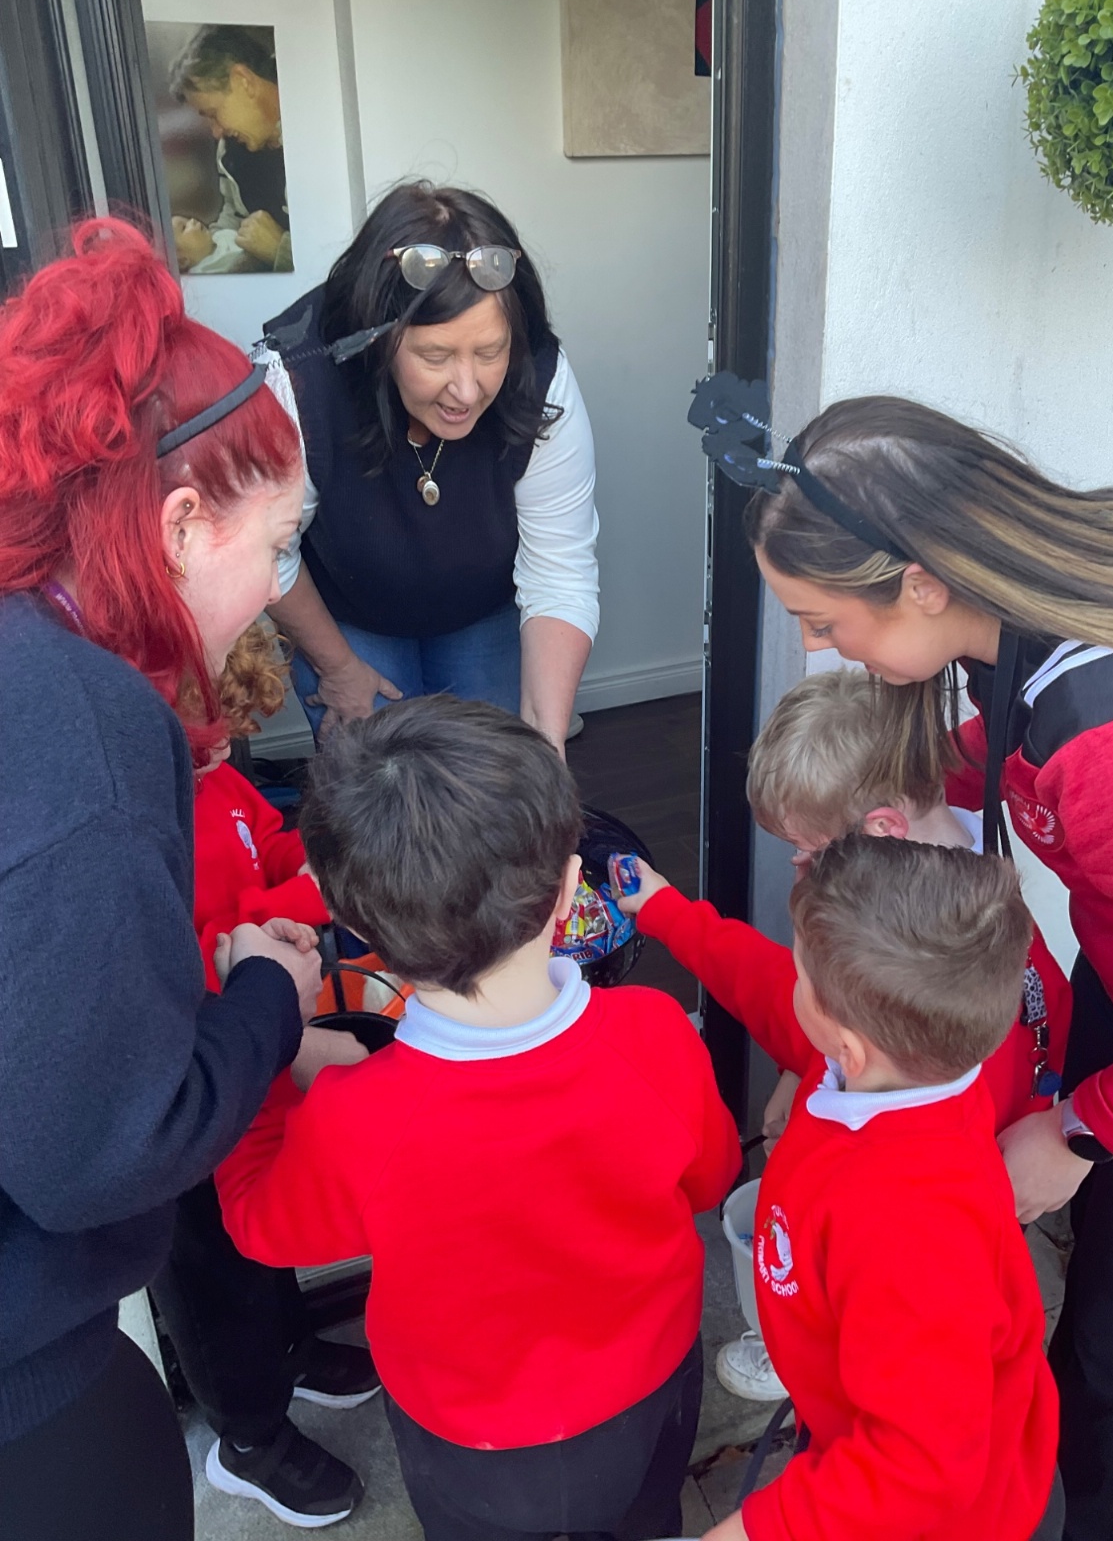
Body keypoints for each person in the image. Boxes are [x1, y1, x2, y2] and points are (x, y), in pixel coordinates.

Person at [743, 394, 1113, 1541]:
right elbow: (1000, 749)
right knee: (1104, 1287)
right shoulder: (1029, 632)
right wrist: (869, 792)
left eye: (822, 619)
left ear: (920, 584)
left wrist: (1082, 1130)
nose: (818, 646)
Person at [215, 696, 741, 1541]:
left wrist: (262, 1039)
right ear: (569, 889)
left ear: (355, 923)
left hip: (470, 1441)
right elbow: (711, 1179)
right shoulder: (653, 1031)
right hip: (652, 1387)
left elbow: (261, 1225)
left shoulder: (358, 1115)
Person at [0, 220, 329, 1541]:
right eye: (281, 544)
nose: (278, 587)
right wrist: (265, 1004)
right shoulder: (83, 729)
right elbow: (103, 1151)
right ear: (184, 523)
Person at [626, 835, 1060, 1541]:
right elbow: (760, 981)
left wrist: (758, 1528)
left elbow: (919, 1468)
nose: (788, 979)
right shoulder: (911, 1060)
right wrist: (667, 911)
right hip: (863, 1399)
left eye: (802, 972)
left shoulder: (911, 1229)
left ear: (847, 1044)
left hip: (948, 1518)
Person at [677, 666, 1071, 1404]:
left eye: (809, 851)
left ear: (882, 830)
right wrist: (801, 1070)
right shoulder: (979, 913)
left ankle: (816, 1362)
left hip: (898, 1265)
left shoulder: (916, 980)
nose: (798, 867)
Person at [152, 625, 376, 1529]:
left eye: (229, 735)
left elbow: (270, 839)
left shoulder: (219, 780)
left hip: (256, 1061)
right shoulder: (148, 823)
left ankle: (289, 1348)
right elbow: (206, 952)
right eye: (200, 740)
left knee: (266, 1241)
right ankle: (249, 1436)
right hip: (193, 1086)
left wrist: (313, 868)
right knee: (215, 1277)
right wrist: (296, 901)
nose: (219, 754)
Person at [257, 182, 599, 752]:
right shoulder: (299, 377)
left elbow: (560, 572)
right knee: (379, 789)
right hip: (346, 618)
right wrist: (338, 667)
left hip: (481, 611)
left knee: (494, 777)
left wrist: (546, 750)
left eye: (489, 352)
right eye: (435, 356)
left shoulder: (539, 372)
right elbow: (268, 552)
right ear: (378, 339)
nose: (466, 389)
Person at [169, 24, 292, 274]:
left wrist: (280, 250)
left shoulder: (319, 138)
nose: (216, 132)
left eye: (213, 114)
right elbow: (234, 215)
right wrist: (207, 256)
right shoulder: (229, 152)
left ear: (243, 81)